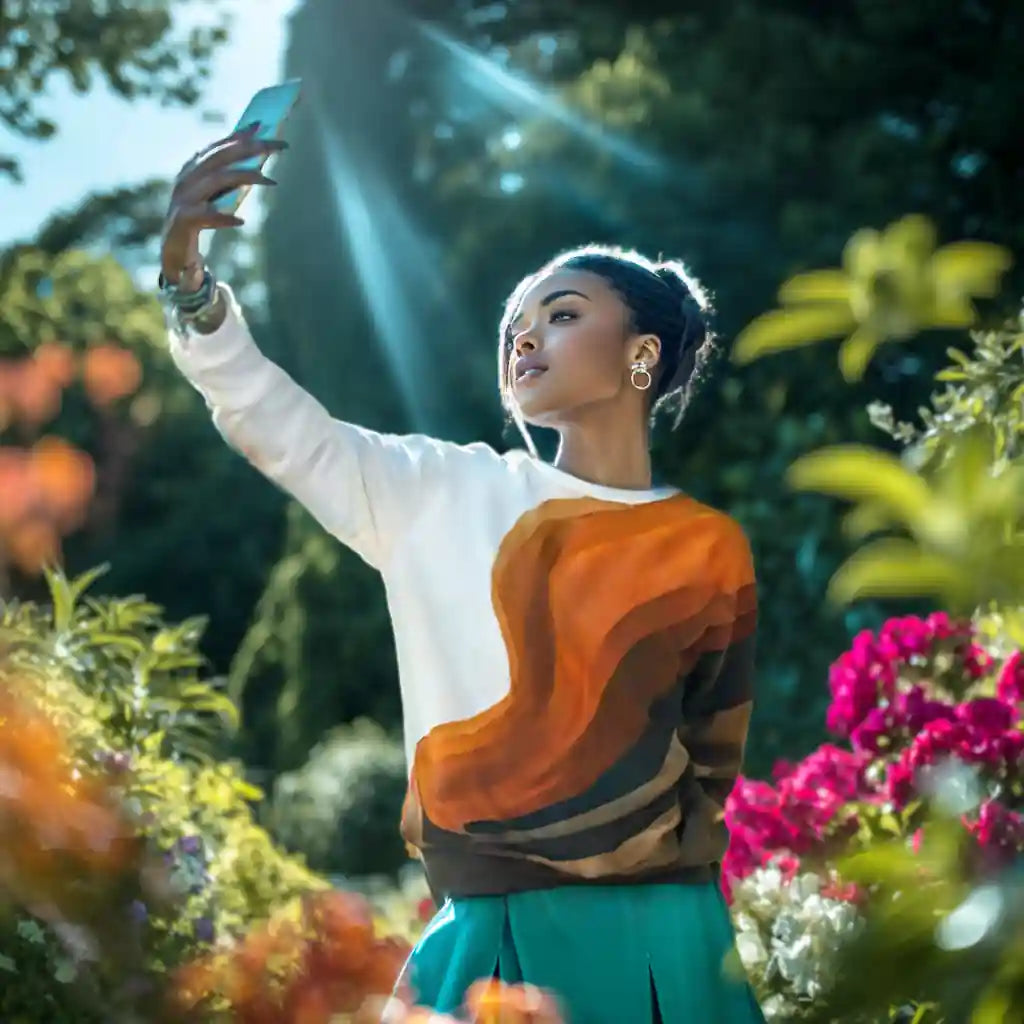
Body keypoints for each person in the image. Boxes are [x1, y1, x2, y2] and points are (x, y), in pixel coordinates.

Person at [159, 126, 766, 1024]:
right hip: (492, 943)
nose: (526, 339)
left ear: (642, 356)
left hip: (674, 948)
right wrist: (191, 288)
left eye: (561, 315)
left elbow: (713, 763)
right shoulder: (441, 491)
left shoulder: (711, 547)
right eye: (515, 327)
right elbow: (287, 430)